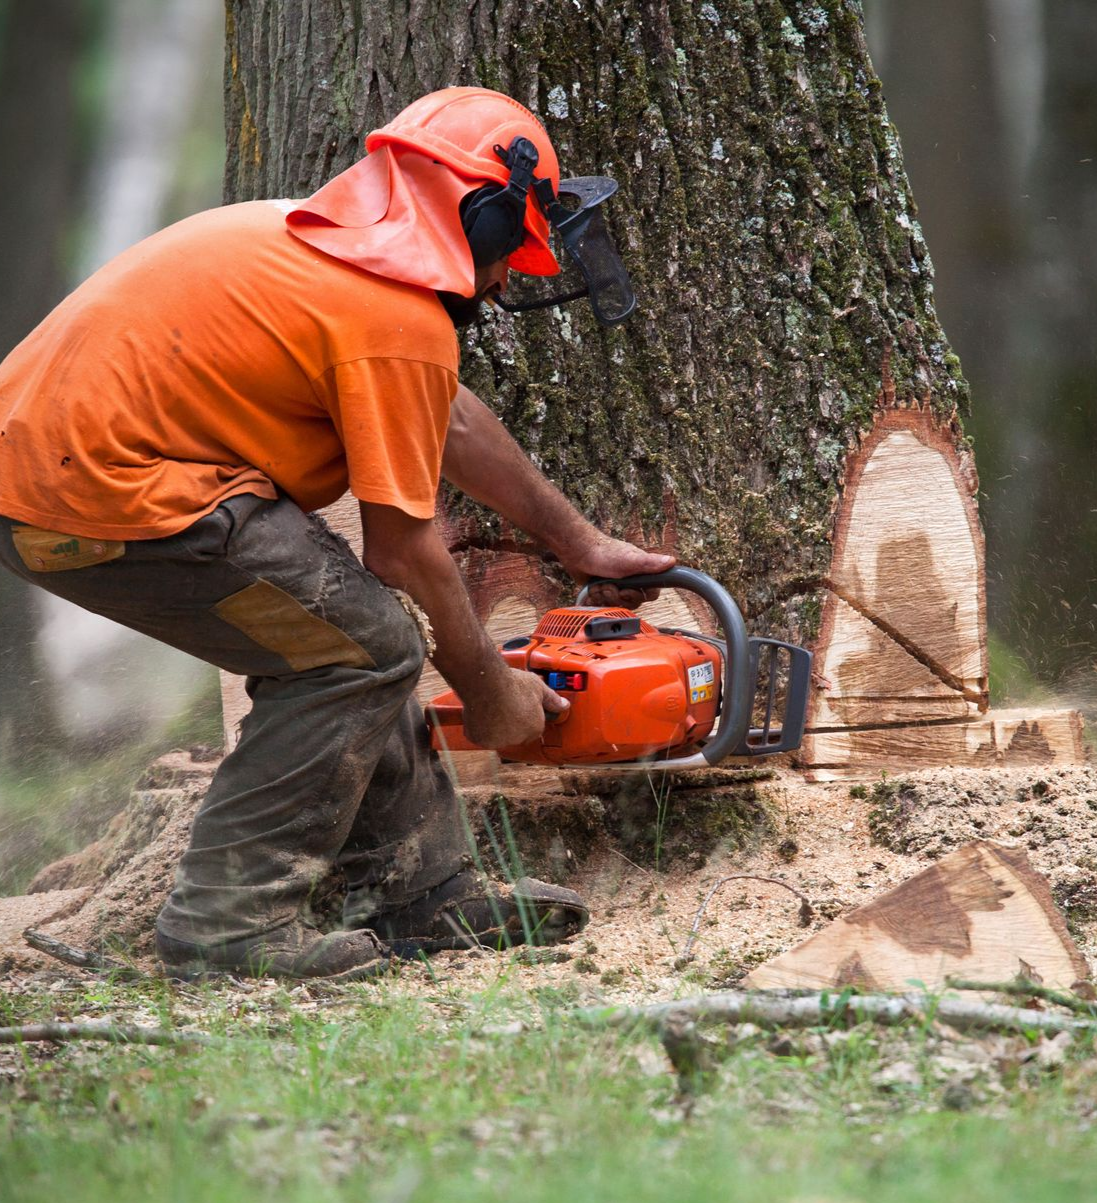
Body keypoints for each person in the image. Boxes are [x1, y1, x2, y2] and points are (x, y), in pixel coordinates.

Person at [0, 86, 673, 981]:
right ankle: (223, 927)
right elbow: (402, 552)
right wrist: (489, 691)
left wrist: (577, 542)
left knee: (350, 633)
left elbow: (450, 418)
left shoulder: (314, 247)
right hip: (106, 496)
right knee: (360, 646)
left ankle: (419, 890)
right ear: (479, 216)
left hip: (59, 480)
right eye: (513, 251)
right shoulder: (392, 317)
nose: (511, 275)